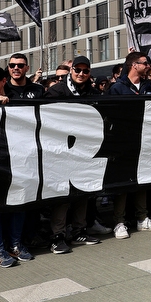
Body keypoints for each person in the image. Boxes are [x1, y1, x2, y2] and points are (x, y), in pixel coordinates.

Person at [43, 56, 102, 253]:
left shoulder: (93, 92)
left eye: (85, 71)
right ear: (71, 70)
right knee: (63, 194)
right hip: (60, 151)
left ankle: (79, 231)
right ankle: (57, 235)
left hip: (84, 151)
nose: (81, 74)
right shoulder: (56, 91)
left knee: (82, 190)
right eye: (78, 70)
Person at [0, 67, 34, 267]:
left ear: (3, 81)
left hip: (17, 160)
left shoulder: (18, 100)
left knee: (18, 203)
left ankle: (15, 244)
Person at [106, 52, 151, 238]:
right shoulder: (117, 88)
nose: (148, 66)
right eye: (145, 63)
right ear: (134, 65)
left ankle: (142, 218)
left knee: (143, 179)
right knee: (123, 183)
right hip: (123, 142)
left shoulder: (149, 86)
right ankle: (119, 222)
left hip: (145, 140)